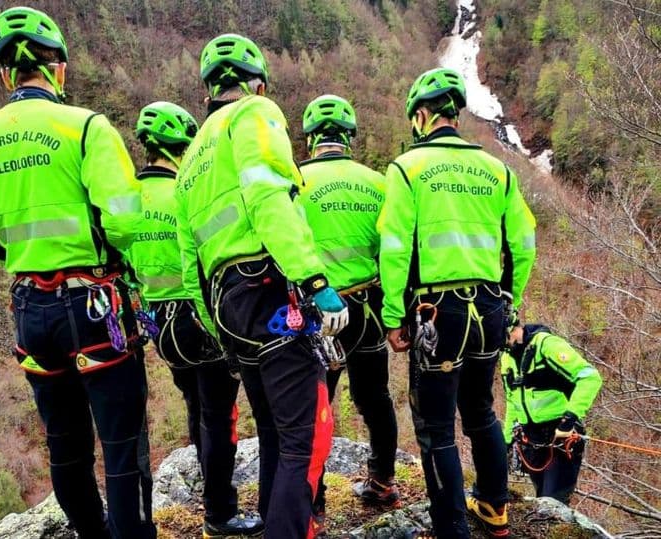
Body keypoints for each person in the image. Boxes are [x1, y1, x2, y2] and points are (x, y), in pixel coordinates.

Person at [0, 7, 155, 538]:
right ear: (58, 68)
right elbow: (125, 220)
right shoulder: (86, 127)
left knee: (65, 443)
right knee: (121, 442)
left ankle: (93, 533)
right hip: (94, 300)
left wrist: (30, 249)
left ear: (4, 76)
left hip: (30, 310)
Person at [176, 33, 349, 539]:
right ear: (256, 84)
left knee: (275, 432)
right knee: (307, 437)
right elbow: (269, 199)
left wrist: (219, 332)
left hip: (229, 306)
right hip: (271, 289)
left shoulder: (190, 162)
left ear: (208, 92)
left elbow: (192, 267)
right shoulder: (254, 114)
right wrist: (316, 281)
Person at [378, 67, 537, 539]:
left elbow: (394, 248)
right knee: (482, 411)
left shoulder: (408, 168)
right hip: (489, 308)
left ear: (422, 116)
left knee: (437, 427)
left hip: (436, 313)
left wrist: (392, 316)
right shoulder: (498, 170)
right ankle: (494, 507)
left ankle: (451, 528)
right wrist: (511, 304)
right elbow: (524, 245)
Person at [125, 101, 261, 537]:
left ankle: (211, 494)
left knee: (195, 405)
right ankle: (220, 512)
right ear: (181, 147)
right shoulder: (185, 190)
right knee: (219, 415)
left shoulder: (126, 197)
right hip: (197, 319)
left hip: (160, 322)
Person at [297, 95, 400, 531]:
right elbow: (394, 250)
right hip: (370, 309)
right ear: (349, 136)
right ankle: (383, 480)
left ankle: (313, 499)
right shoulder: (378, 182)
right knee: (374, 395)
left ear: (311, 137)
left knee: (316, 402)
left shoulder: (295, 180)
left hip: (320, 310)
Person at [502, 323, 602, 505]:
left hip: (561, 437)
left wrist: (569, 419)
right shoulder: (506, 356)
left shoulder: (547, 345)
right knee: (542, 499)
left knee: (552, 503)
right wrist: (506, 440)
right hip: (531, 440)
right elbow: (512, 399)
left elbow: (590, 376)